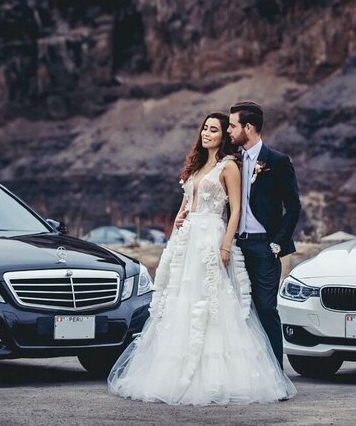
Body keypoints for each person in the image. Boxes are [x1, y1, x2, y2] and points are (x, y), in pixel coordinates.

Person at [107, 112, 296, 405]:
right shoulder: (195, 167)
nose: (207, 133)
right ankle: (174, 373)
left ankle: (233, 376)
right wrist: (179, 222)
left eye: (215, 129)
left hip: (212, 238)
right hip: (189, 239)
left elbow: (234, 210)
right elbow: (185, 203)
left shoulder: (229, 166)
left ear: (224, 136)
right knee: (182, 300)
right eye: (205, 129)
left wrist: (224, 245)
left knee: (216, 303)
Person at [226, 101, 301, 367]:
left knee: (266, 308)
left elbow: (293, 207)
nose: (229, 131)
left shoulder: (277, 161)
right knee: (237, 309)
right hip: (235, 247)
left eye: (233, 126)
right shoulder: (230, 159)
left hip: (265, 247)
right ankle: (245, 371)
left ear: (249, 127)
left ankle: (275, 373)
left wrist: (277, 244)